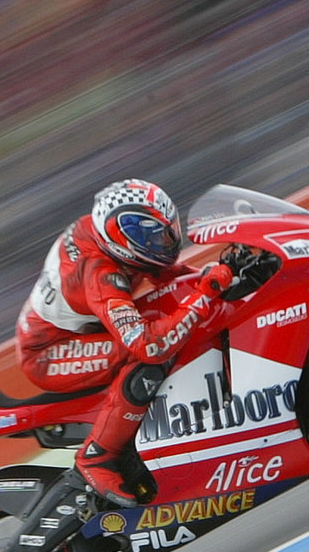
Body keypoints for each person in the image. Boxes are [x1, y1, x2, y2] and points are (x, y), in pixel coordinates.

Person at [16, 179, 234, 508]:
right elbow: (148, 345)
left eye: (166, 230)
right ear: (123, 236)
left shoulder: (106, 236)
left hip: (80, 328)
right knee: (148, 359)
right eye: (152, 235)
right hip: (50, 352)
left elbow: (164, 272)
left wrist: (213, 276)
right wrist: (204, 294)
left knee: (170, 317)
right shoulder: (102, 274)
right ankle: (96, 457)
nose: (164, 241)